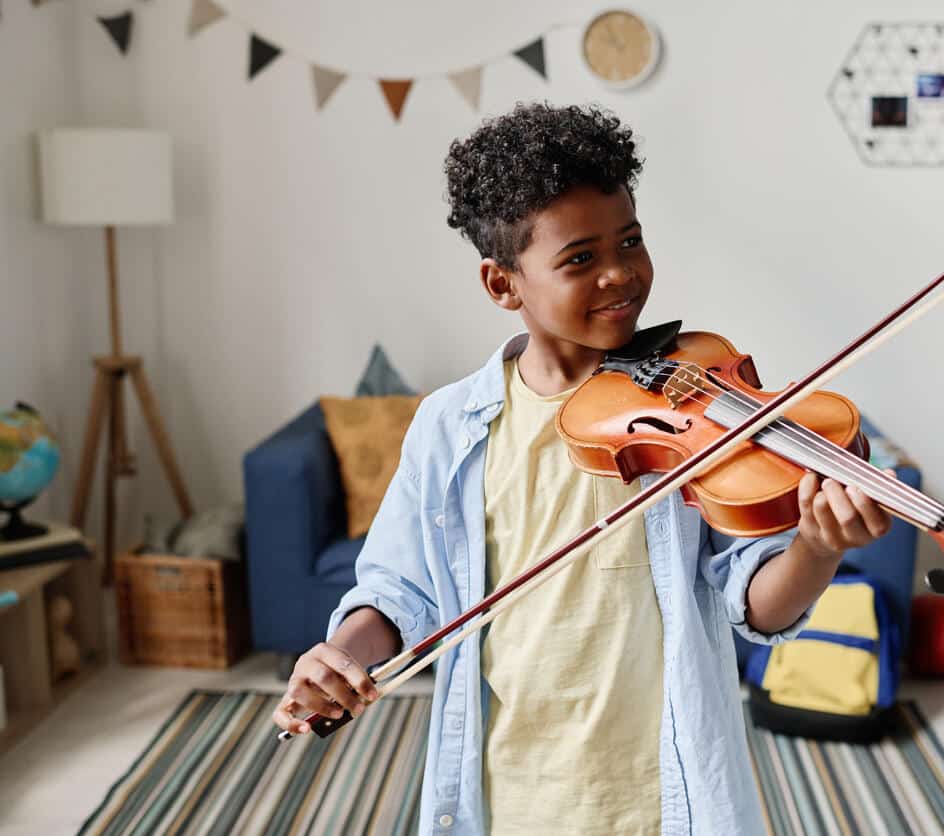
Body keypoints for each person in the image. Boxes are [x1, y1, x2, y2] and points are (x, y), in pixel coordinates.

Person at [273, 102, 892, 835]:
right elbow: (399, 590)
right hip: (507, 793)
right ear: (504, 285)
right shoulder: (450, 425)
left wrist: (818, 547)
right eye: (580, 259)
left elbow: (757, 608)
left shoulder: (700, 404)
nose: (621, 274)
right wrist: (341, 656)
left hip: (662, 796)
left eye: (630, 241)